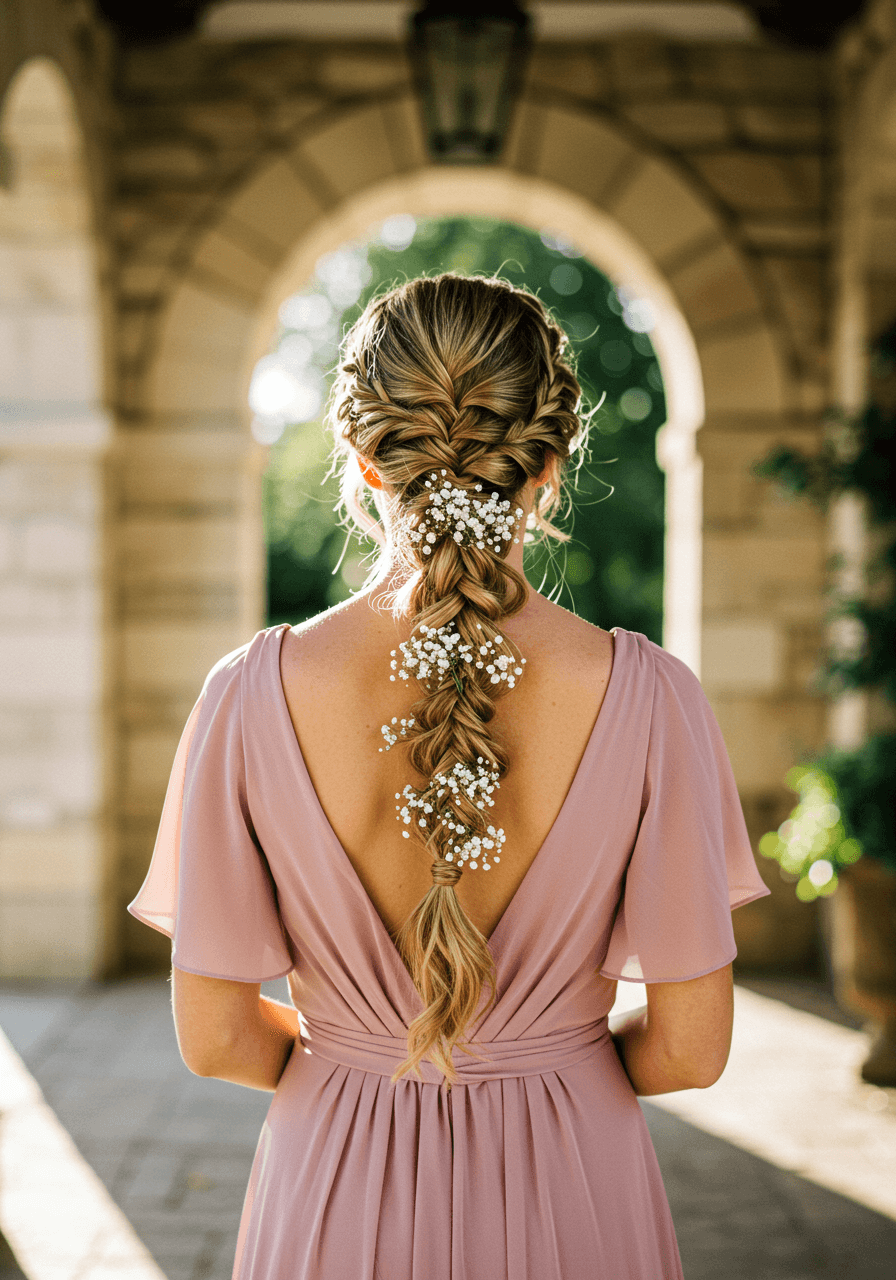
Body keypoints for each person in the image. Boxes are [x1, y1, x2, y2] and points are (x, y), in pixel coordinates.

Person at [129, 273, 771, 1280]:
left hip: (332, 1181)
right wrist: (544, 1069)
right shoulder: (652, 697)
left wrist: (358, 1065)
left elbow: (213, 1038)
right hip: (575, 1188)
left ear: (361, 458)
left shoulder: (247, 694)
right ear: (550, 460)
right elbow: (690, 1049)